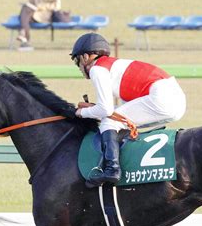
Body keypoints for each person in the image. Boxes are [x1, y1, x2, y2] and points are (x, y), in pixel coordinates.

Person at [70, 33, 186, 186]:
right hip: (174, 99)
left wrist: (80, 113)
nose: (78, 66)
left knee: (108, 123)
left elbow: (105, 110)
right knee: (116, 120)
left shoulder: (97, 69)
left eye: (77, 60)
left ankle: (112, 170)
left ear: (85, 57)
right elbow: (118, 110)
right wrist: (95, 109)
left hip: (162, 98)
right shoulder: (112, 66)